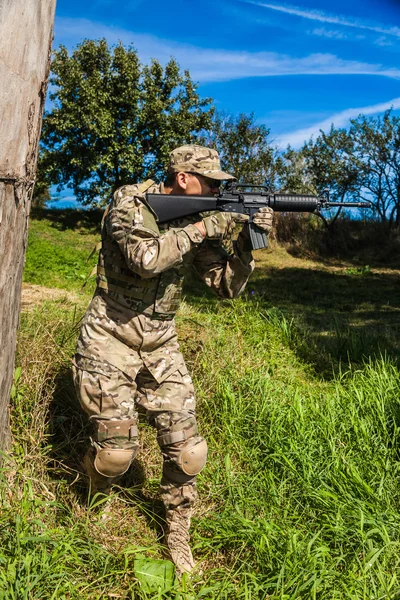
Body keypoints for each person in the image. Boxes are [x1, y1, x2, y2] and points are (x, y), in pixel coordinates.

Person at [72, 145, 273, 575]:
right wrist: (208, 225)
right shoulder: (130, 203)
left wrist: (246, 246)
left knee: (189, 452)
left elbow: (225, 286)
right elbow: (147, 260)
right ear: (183, 179)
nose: (219, 189)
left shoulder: (189, 220)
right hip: (110, 336)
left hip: (161, 344)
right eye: (213, 182)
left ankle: (178, 534)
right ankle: (93, 496)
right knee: (115, 456)